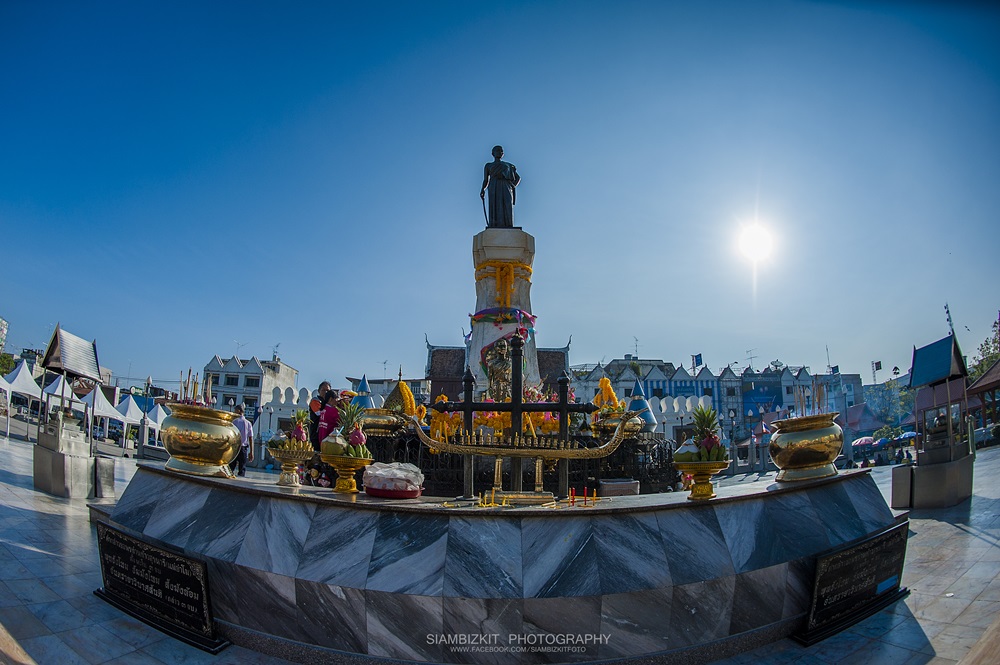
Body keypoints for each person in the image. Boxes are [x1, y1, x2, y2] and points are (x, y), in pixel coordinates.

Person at [480, 145, 520, 228]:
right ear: (493, 153)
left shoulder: (508, 165)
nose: (500, 152)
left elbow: (518, 178)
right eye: (497, 150)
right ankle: (494, 224)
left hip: (506, 186)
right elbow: (486, 180)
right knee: (495, 205)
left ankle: (508, 224)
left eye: (501, 151)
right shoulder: (488, 165)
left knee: (507, 204)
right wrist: (482, 189)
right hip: (493, 186)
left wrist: (512, 186)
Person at [230, 405, 254, 477]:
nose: (234, 412)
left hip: (235, 447)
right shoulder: (248, 423)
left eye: (235, 410)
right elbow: (250, 438)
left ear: (238, 411)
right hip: (243, 448)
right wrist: (251, 451)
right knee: (242, 468)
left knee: (231, 466)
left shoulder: (234, 422)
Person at [309, 381, 332, 446]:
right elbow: (319, 414)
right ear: (319, 391)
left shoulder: (329, 403)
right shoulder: (315, 400)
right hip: (316, 435)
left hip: (328, 435)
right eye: (323, 390)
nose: (325, 392)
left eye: (327, 391)